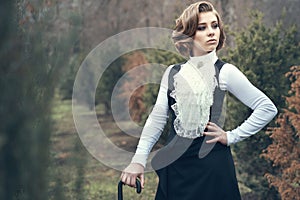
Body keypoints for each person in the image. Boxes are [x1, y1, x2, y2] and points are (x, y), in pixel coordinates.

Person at [120, 1, 278, 199]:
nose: (212, 32)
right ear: (188, 36)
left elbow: (266, 107)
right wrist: (138, 160)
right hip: (176, 169)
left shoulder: (225, 72)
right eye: (202, 28)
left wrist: (231, 136)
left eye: (215, 25)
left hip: (213, 171)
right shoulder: (172, 73)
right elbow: (157, 119)